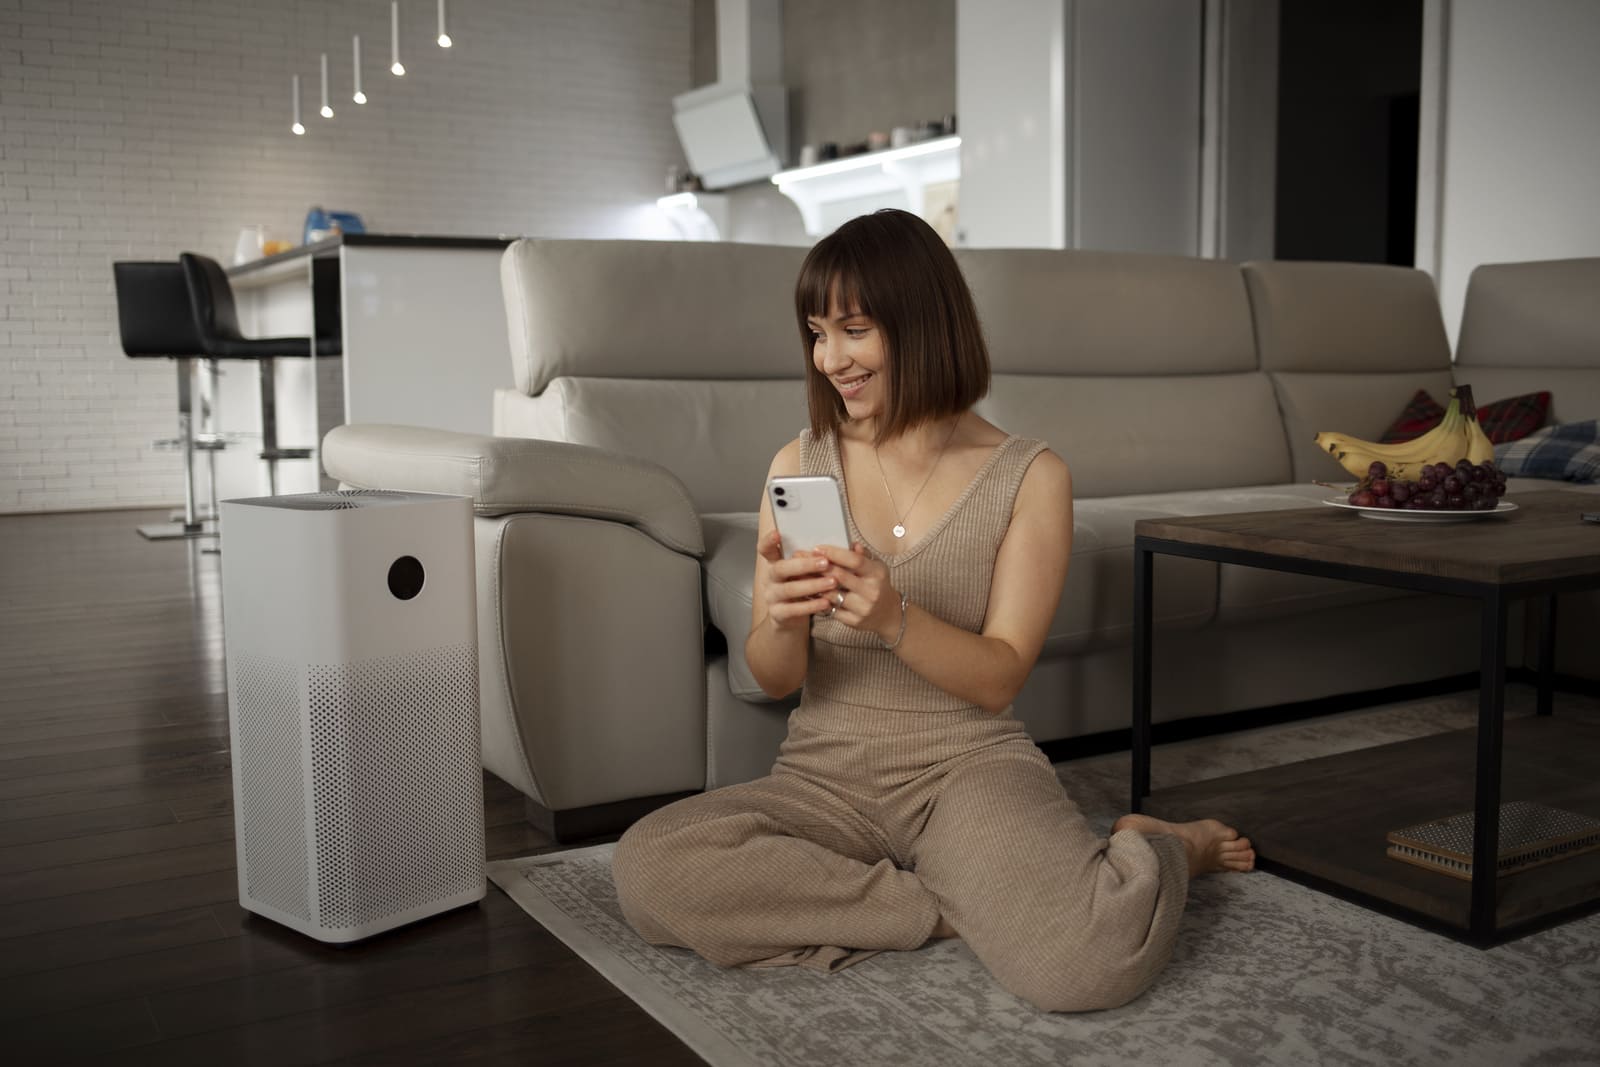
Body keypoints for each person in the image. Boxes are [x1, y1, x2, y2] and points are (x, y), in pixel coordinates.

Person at [611, 209, 1254, 1013]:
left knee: (1087, 965)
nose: (829, 359)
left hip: (967, 767)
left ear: (922, 322)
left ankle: (1157, 845)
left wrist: (891, 616)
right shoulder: (798, 463)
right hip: (824, 777)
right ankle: (958, 907)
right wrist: (776, 618)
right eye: (817, 333)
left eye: (854, 330)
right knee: (651, 868)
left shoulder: (1029, 475)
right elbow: (777, 681)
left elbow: (999, 676)